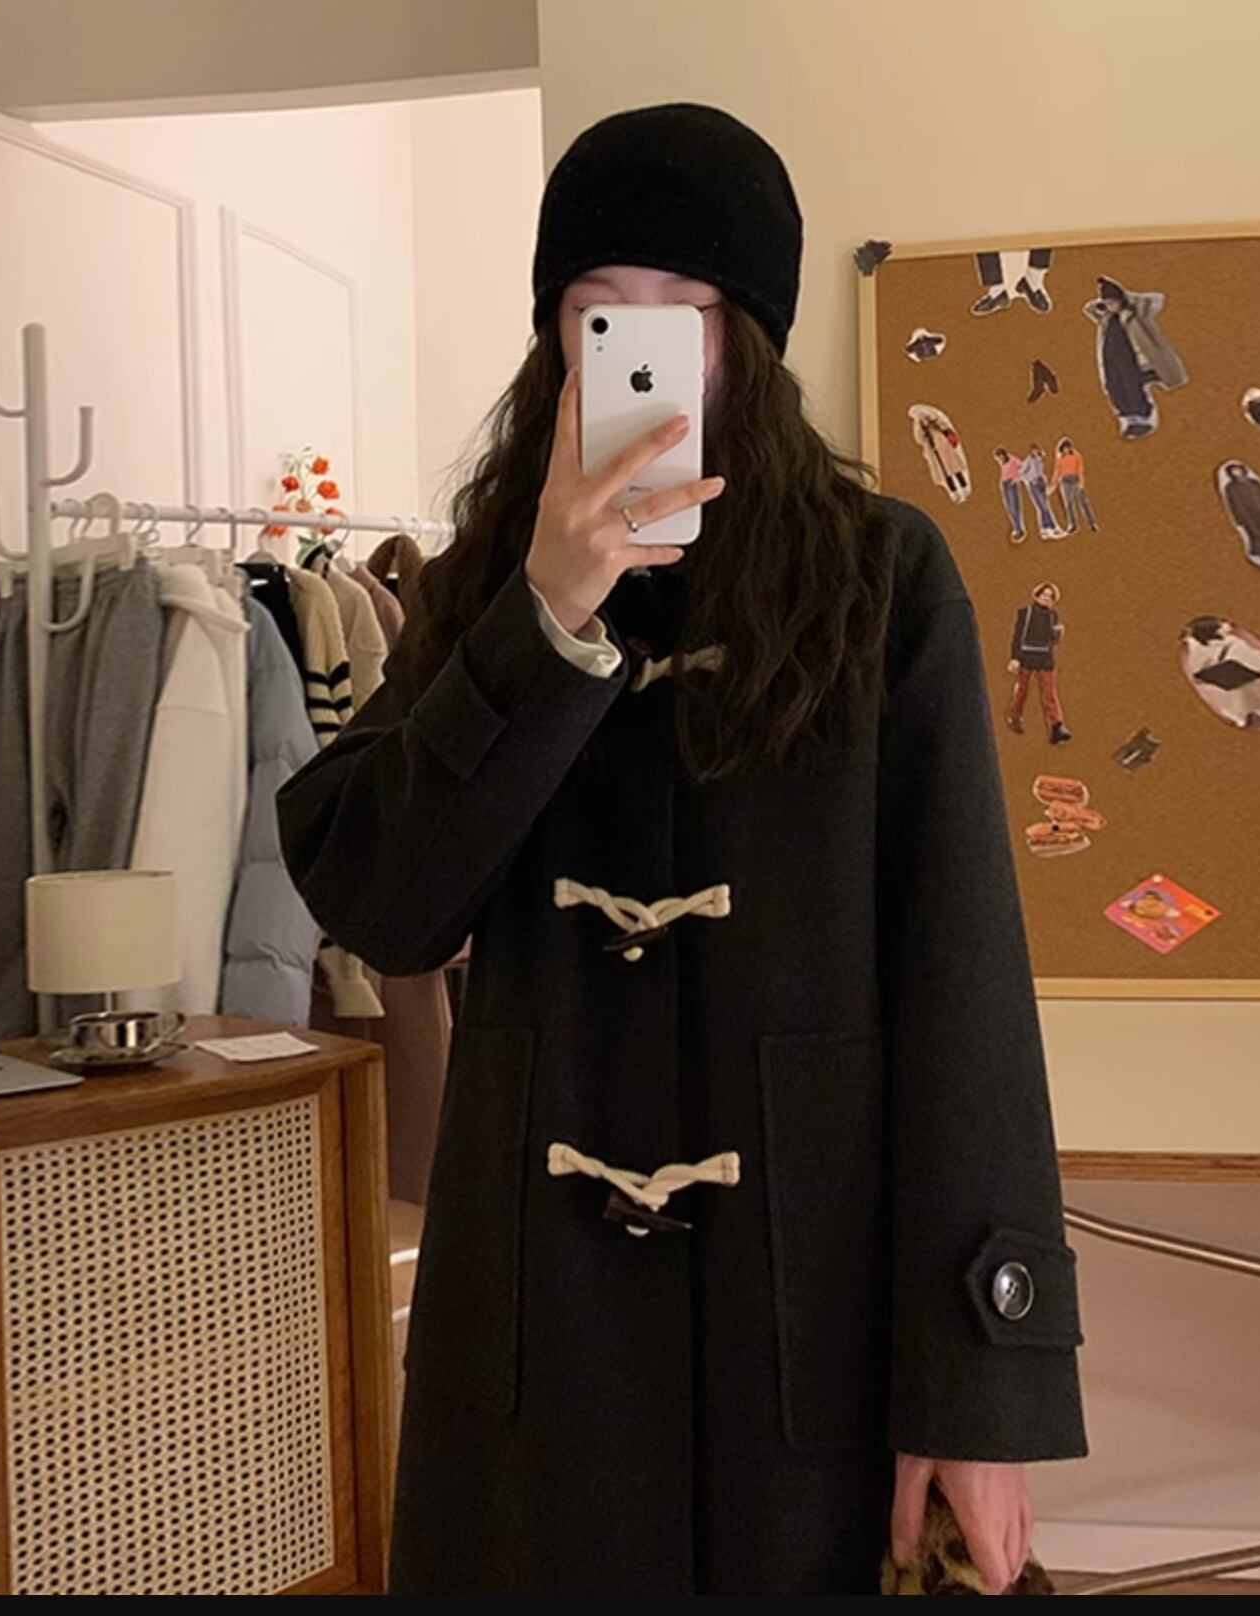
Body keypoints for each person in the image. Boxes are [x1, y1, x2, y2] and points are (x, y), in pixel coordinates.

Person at [276, 104, 1086, 1597]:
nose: (635, 350)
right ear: (552, 338)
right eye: (598, 312)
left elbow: (963, 984)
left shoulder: (881, 578)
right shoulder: (484, 586)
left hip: (814, 1320)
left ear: (746, 341)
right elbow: (384, 905)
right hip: (539, 1337)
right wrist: (544, 620)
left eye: (680, 311)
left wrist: (977, 1383)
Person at [1082, 276, 1187, 438]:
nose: (1111, 306)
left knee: (1132, 385)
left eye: (1113, 302)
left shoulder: (1134, 314)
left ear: (1121, 300)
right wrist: (1102, 301)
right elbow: (1089, 309)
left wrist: (1128, 299)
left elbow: (1155, 300)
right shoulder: (1107, 318)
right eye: (1107, 303)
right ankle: (1129, 419)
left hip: (1132, 358)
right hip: (1112, 358)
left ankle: (1143, 417)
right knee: (1114, 387)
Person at [1006, 581, 1072, 743]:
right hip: (1026, 656)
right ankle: (1014, 717)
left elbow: (1052, 641)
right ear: (1037, 595)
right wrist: (1015, 658)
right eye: (1044, 595)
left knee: (1049, 693)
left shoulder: (1053, 616)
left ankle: (1057, 725)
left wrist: (1058, 634)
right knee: (1022, 691)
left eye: (1050, 596)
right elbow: (1018, 636)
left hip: (1045, 657)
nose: (1046, 598)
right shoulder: (1025, 612)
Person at [1049, 438, 1098, 533]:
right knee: (1068, 504)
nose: (1066, 450)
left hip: (1075, 480)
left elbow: (1080, 469)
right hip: (1065, 482)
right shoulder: (1060, 458)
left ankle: (1092, 524)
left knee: (1084, 503)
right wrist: (1053, 483)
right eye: (1064, 448)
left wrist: (1081, 483)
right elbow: (1057, 471)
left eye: (1068, 448)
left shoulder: (1077, 456)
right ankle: (1072, 525)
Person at [1018, 443, 1063, 537]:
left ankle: (1044, 529)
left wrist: (1044, 478)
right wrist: (1030, 479)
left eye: (1037, 449)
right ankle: (1052, 527)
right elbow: (1021, 473)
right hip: (1034, 485)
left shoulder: (1040, 459)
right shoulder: (1029, 460)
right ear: (1031, 451)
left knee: (1044, 506)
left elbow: (1040, 471)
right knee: (1043, 506)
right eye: (1033, 450)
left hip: (1042, 483)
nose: (1035, 451)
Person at [994, 444, 1027, 540]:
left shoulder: (1013, 460)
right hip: (1005, 484)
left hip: (1012, 485)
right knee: (1009, 508)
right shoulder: (1003, 462)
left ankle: (1019, 529)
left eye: (999, 457)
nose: (999, 460)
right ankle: (1016, 528)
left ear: (1003, 454)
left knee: (1014, 507)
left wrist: (1017, 478)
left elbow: (1024, 468)